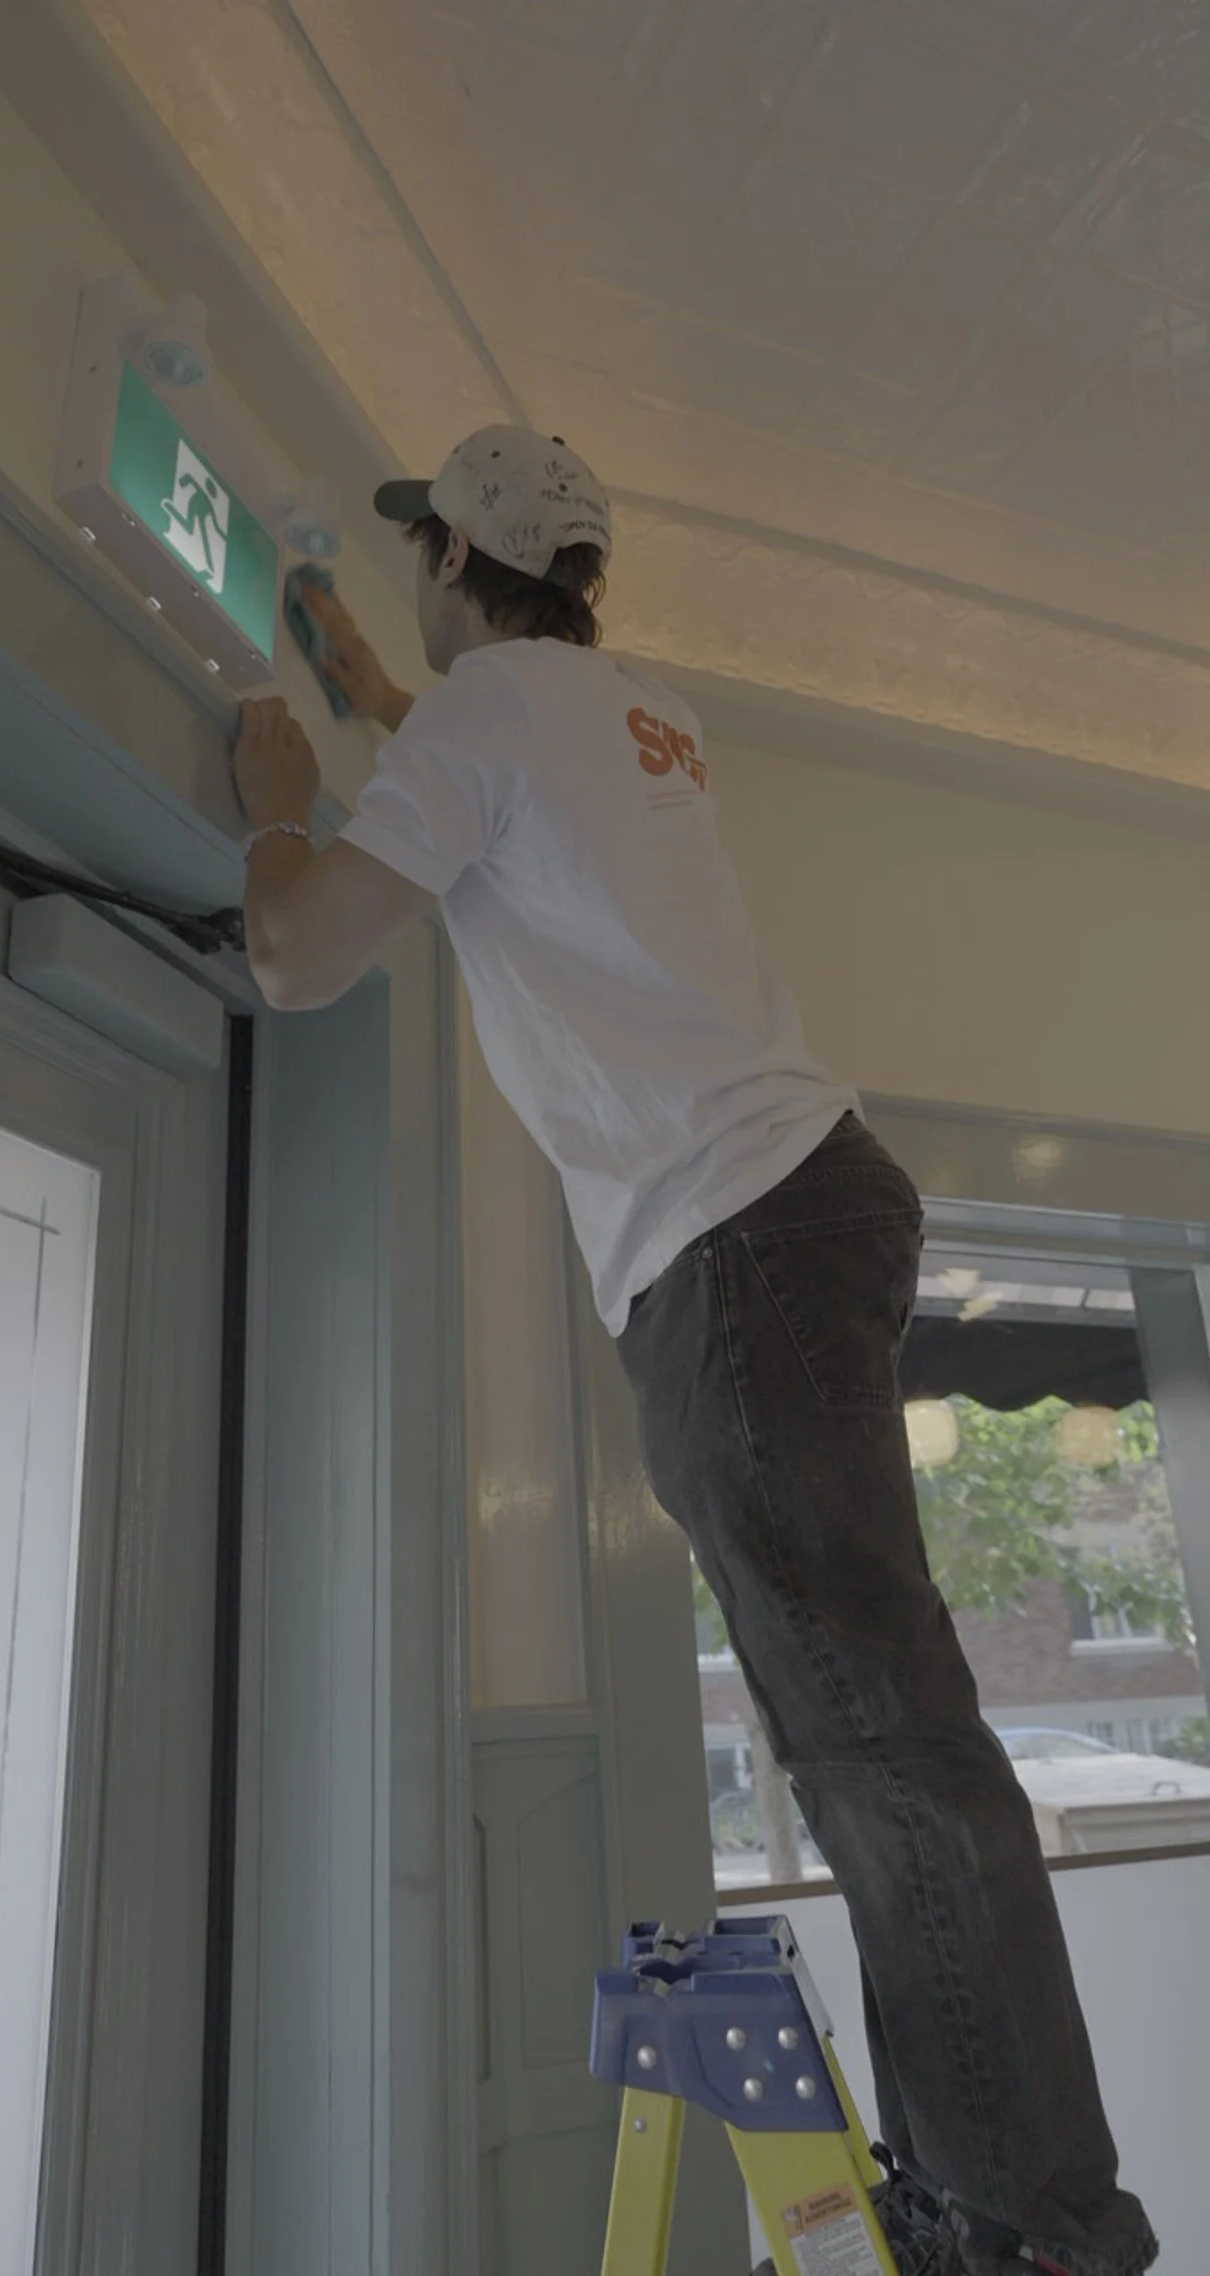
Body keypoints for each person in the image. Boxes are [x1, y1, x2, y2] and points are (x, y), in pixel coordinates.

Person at [231, 427, 1158, 2276]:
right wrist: (342, 654)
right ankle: (997, 2198)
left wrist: (276, 792)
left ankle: (1037, 2235)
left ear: (462, 563)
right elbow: (455, 731)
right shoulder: (617, 714)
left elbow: (296, 954)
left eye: (423, 552)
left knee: (885, 1752)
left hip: (735, 1242)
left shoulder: (487, 729)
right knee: (881, 1745)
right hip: (802, 1209)